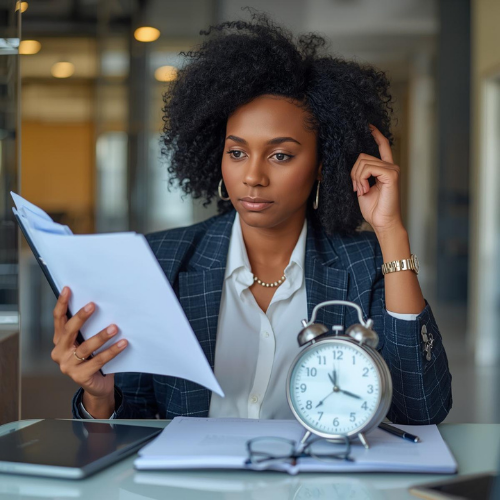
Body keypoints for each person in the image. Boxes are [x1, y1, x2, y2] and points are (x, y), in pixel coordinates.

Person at [51, 9, 452, 424]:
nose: (253, 177)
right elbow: (132, 415)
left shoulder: (364, 264)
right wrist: (99, 396)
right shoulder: (161, 261)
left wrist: (390, 231)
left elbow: (421, 408)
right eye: (237, 152)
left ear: (322, 164)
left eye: (281, 155)